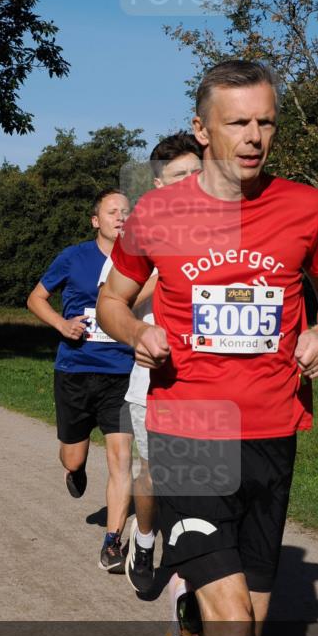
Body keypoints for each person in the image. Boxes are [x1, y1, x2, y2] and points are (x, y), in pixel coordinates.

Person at [97, 60, 318, 636]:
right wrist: (133, 334)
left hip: (273, 434)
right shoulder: (156, 215)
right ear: (203, 129)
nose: (254, 137)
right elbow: (114, 299)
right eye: (237, 123)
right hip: (188, 429)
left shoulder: (305, 206)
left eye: (266, 121)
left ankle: (187, 618)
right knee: (234, 621)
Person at [97, 133, 203, 595]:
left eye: (199, 174)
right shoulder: (140, 237)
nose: (193, 184)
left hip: (212, 384)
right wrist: (160, 274)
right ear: (159, 184)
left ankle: (190, 574)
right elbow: (112, 305)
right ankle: (143, 539)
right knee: (154, 476)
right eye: (181, 176)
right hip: (153, 382)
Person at [27, 189, 135, 572]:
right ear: (96, 220)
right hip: (75, 369)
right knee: (73, 455)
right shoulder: (73, 257)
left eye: (126, 211)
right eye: (112, 211)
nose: (121, 217)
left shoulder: (140, 262)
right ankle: (76, 468)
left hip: (121, 374)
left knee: (122, 458)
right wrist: (60, 323)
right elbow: (36, 298)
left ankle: (112, 541)